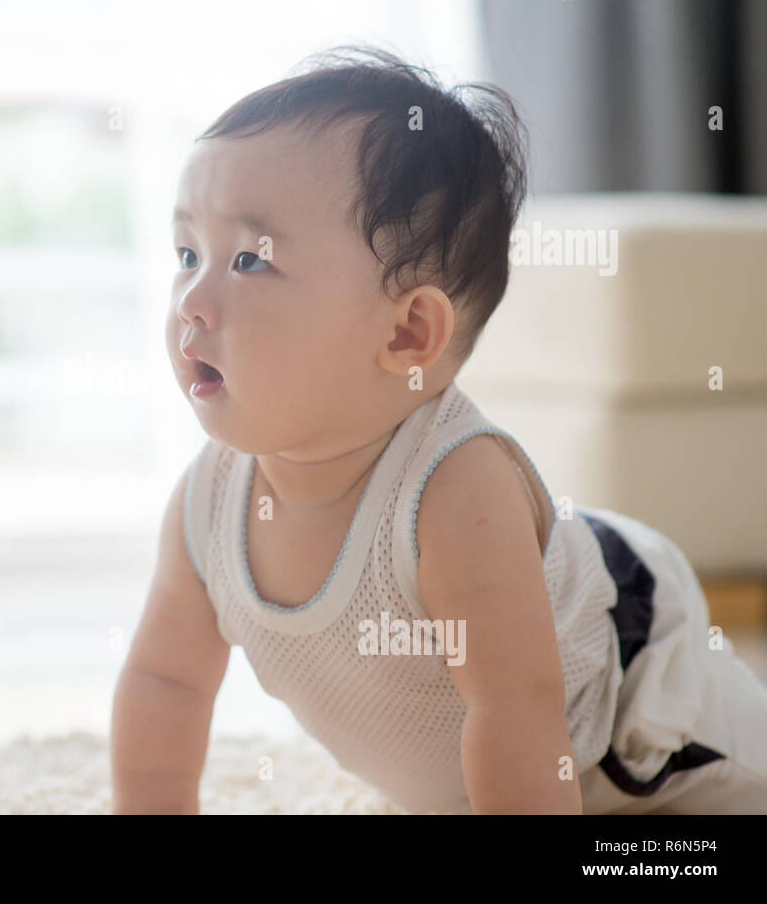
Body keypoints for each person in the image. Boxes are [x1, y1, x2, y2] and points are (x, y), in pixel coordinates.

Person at [110, 45, 767, 814]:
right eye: (188, 253)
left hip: (639, 705)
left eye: (250, 261)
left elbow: (517, 713)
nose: (191, 297)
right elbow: (167, 679)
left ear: (408, 335)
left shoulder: (453, 492)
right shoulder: (208, 503)